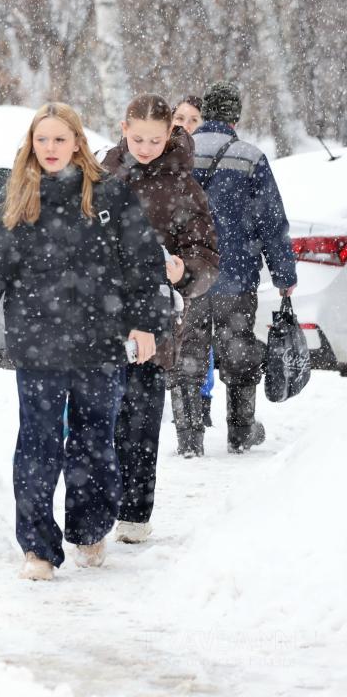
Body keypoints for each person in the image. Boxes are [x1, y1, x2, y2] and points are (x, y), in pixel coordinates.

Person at [0, 103, 167, 581]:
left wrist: (145, 324)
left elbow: (143, 264)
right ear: (31, 144)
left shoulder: (110, 195)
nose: (50, 148)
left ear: (77, 143)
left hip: (100, 343)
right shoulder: (18, 198)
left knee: (94, 442)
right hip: (38, 344)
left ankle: (89, 529)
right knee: (38, 444)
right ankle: (38, 549)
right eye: (41, 139)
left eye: (60, 139)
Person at [103, 95, 219, 542]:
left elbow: (206, 257)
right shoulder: (103, 171)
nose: (146, 148)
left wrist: (184, 271)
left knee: (139, 419)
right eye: (138, 139)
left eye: (155, 140)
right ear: (124, 128)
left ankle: (134, 512)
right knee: (100, 418)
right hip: (101, 315)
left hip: (153, 317)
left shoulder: (184, 185)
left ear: (171, 132)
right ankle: (97, 508)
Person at [183, 81, 297, 454]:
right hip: (236, 277)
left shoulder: (180, 154)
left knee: (189, 351)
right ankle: (241, 431)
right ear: (235, 116)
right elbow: (272, 222)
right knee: (238, 349)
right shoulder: (251, 157)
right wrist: (284, 276)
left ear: (205, 113)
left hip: (188, 277)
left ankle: (189, 438)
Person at [172, 94, 217, 430]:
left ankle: (201, 400)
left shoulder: (205, 158)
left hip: (199, 262)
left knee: (199, 337)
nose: (186, 126)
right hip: (171, 262)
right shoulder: (162, 156)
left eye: (193, 120)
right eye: (180, 118)